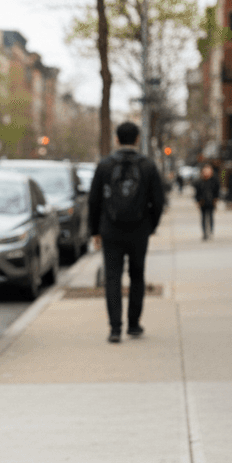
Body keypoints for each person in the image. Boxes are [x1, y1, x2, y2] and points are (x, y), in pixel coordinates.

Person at [88, 121, 166, 343]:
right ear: (138, 139)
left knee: (112, 277)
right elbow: (158, 201)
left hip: (110, 230)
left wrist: (95, 231)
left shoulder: (104, 166)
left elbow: (94, 201)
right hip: (139, 230)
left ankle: (115, 328)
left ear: (116, 139)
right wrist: (151, 226)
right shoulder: (148, 166)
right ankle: (133, 324)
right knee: (137, 275)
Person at [194, 164, 219, 240]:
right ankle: (204, 233)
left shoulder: (214, 180)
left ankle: (210, 232)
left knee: (211, 216)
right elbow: (197, 192)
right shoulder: (199, 181)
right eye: (205, 171)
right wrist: (198, 201)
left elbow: (217, 191)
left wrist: (215, 199)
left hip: (211, 201)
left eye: (208, 171)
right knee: (203, 217)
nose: (206, 173)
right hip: (203, 202)